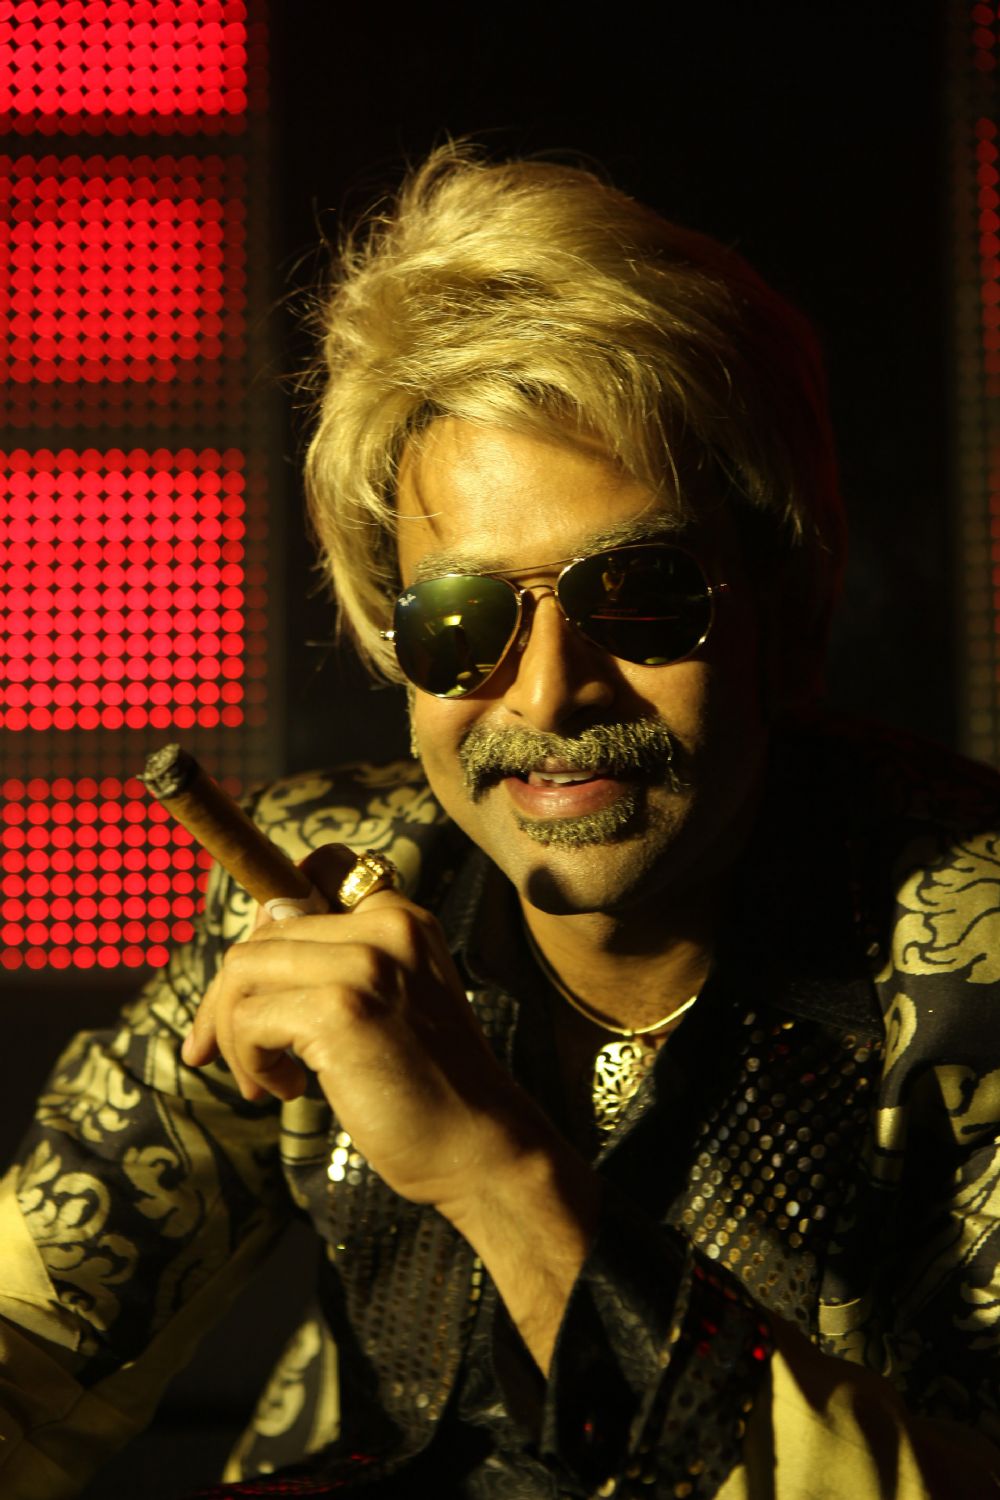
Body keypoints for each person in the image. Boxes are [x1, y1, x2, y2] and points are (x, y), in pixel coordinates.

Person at [2, 143, 999, 1500]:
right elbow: (27, 1332)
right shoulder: (326, 884)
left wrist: (492, 1169)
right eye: (462, 618)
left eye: (640, 593)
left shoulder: (970, 956)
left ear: (790, 603)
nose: (546, 692)